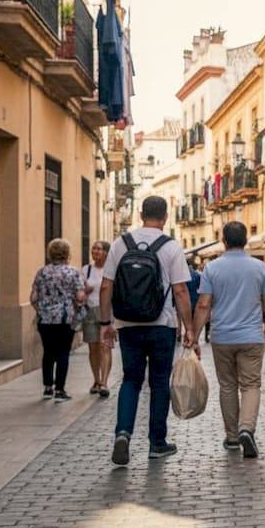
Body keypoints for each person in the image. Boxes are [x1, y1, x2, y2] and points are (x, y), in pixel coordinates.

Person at [99, 196, 193, 466]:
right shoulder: (171, 247)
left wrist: (106, 324)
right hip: (162, 325)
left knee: (131, 380)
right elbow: (181, 290)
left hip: (128, 325)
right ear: (165, 217)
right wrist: (189, 329)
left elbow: (106, 286)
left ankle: (123, 433)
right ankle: (157, 443)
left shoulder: (120, 243)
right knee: (159, 382)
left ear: (140, 214)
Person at [187, 221, 265, 458]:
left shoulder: (212, 268)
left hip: (222, 337)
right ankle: (246, 427)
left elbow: (204, 304)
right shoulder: (259, 268)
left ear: (224, 241)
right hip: (251, 337)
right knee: (250, 385)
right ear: (246, 240)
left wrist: (194, 337)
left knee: (227, 386)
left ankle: (232, 436)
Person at [30, 238, 86, 403]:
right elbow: (80, 296)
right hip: (65, 318)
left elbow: (33, 297)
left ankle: (47, 387)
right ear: (67, 253)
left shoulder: (42, 272)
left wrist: (42, 310)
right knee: (63, 352)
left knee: (48, 351)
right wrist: (78, 305)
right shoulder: (73, 272)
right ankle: (60, 390)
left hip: (45, 319)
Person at [80, 240, 112, 397]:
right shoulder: (86, 270)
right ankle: (96, 380)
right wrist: (85, 291)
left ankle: (105, 382)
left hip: (107, 311)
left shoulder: (111, 270)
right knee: (93, 348)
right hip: (90, 311)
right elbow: (79, 292)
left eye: (99, 249)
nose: (95, 251)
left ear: (106, 252)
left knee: (105, 346)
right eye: (93, 248)